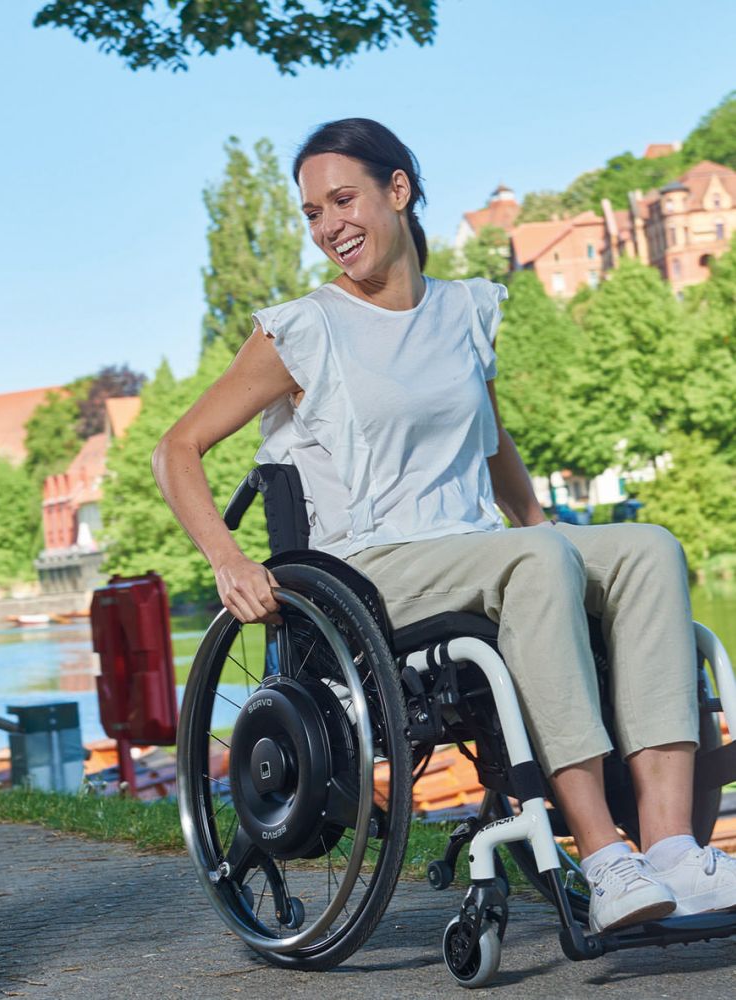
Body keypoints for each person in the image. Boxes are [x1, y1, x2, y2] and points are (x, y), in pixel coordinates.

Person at [153, 119, 736, 936]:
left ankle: (671, 849)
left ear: (400, 191)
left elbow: (493, 445)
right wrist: (228, 557)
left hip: (478, 550)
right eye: (313, 213)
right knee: (534, 562)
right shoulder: (306, 329)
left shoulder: (465, 310)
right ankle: (604, 857)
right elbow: (176, 449)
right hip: (368, 568)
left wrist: (552, 534)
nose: (328, 227)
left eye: (343, 200)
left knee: (647, 548)